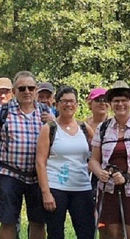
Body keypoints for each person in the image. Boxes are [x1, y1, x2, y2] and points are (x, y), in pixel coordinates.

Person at [0, 71, 48, 239]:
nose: (27, 91)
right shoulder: (2, 112)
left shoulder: (46, 113)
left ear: (36, 90)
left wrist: (53, 122)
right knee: (8, 220)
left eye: (31, 88)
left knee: (39, 221)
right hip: (9, 173)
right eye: (22, 88)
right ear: (14, 90)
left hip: (37, 176)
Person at [89, 80, 130, 239]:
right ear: (111, 103)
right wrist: (100, 173)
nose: (120, 104)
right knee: (110, 233)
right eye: (116, 101)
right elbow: (93, 160)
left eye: (124, 100)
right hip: (108, 188)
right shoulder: (103, 128)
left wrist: (128, 176)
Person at [36, 86, 96, 239]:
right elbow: (40, 162)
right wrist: (46, 193)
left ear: (77, 105)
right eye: (64, 101)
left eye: (72, 101)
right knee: (55, 234)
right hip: (56, 188)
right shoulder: (49, 129)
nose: (68, 105)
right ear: (57, 104)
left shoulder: (84, 128)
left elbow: (98, 151)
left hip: (82, 187)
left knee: (87, 233)